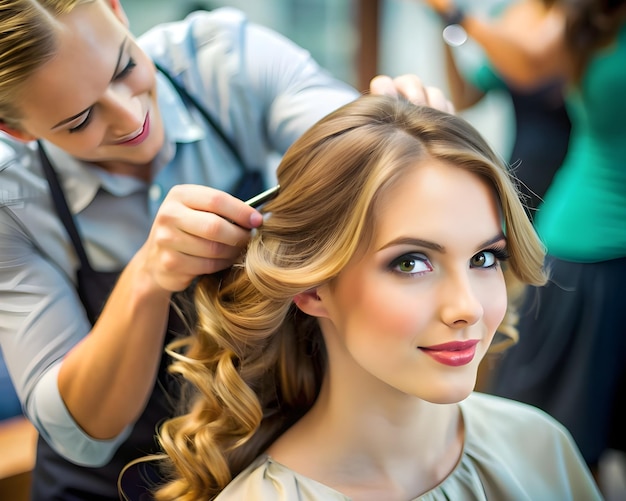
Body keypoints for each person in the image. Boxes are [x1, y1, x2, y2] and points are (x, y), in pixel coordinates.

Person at [0, 0, 451, 499]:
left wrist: (401, 137)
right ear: (15, 130)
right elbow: (79, 434)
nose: (130, 118)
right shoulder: (11, 203)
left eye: (125, 67)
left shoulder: (224, 59)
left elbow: (357, 150)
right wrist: (148, 277)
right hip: (115, 484)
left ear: (116, 9)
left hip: (267, 455)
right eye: (80, 119)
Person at [139, 95, 601, 500]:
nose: (468, 308)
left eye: (484, 258)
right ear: (312, 286)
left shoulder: (540, 447)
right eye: (411, 263)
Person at [421, 0, 626, 482]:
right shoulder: (571, 15)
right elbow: (515, 69)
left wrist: (454, 15)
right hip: (587, 242)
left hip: (580, 232)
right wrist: (451, 22)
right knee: (562, 443)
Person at [439, 0, 571, 220]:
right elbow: (464, 97)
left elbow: (531, 61)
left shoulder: (586, 16)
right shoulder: (509, 17)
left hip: (573, 181)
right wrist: (446, 29)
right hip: (522, 180)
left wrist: (459, 17)